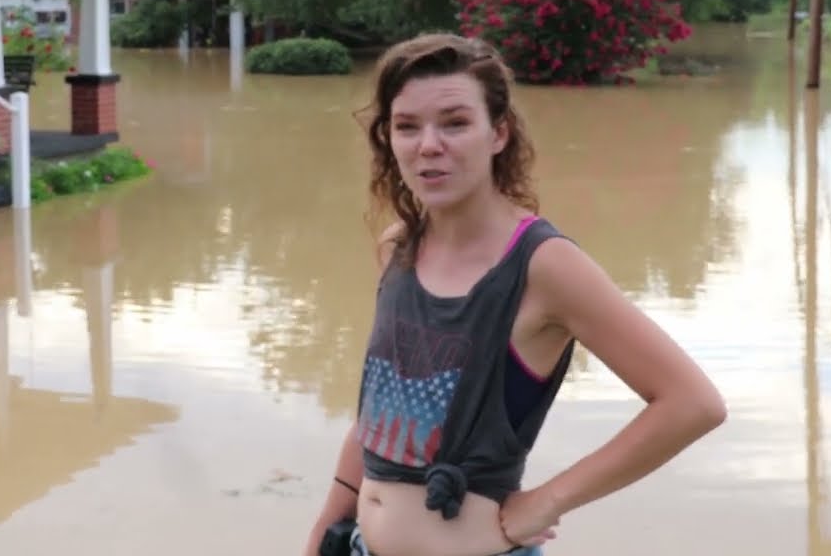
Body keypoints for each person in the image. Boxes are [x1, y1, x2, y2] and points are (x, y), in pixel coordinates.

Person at [302, 33, 727, 556]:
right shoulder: (399, 248)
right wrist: (326, 527)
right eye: (406, 126)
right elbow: (377, 414)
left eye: (455, 123)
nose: (428, 145)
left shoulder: (543, 266)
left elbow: (692, 404)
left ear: (498, 133)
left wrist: (549, 501)